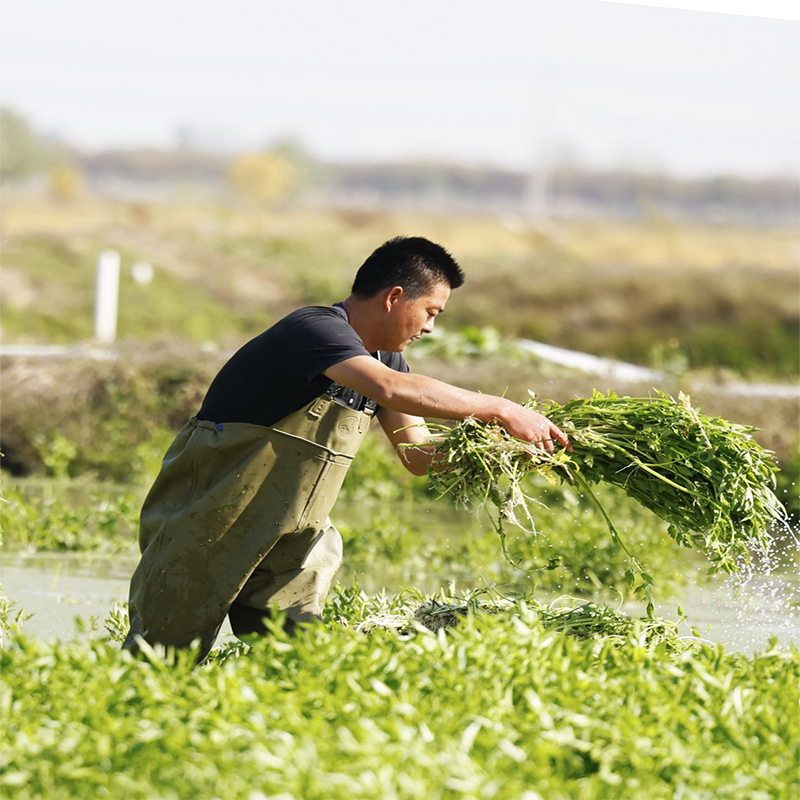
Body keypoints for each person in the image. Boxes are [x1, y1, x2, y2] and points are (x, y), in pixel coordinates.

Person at [123, 236, 569, 661]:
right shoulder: (314, 330)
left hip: (292, 542)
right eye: (430, 311)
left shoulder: (388, 361)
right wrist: (501, 408)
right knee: (161, 660)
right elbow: (390, 389)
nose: (431, 328)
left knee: (295, 663)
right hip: (212, 523)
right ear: (394, 297)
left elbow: (418, 455)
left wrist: (506, 454)